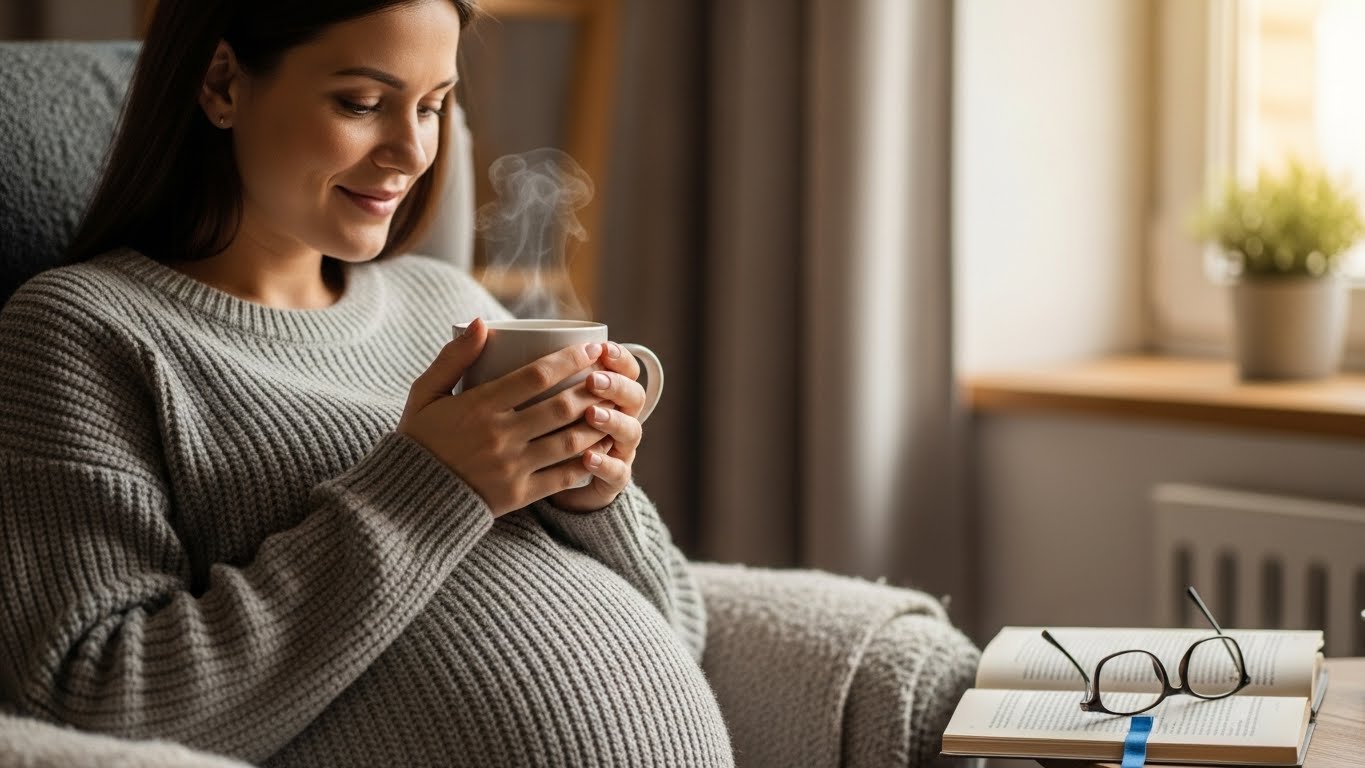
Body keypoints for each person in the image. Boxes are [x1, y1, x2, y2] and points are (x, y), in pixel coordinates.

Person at [0, 1, 734, 766]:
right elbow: (86, 698)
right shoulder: (85, 331)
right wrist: (431, 487)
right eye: (362, 103)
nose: (412, 152)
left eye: (432, 105)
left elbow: (682, 634)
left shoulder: (450, 307)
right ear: (221, 83)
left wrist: (595, 502)